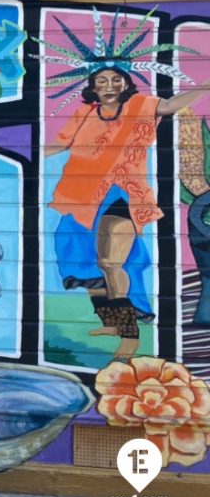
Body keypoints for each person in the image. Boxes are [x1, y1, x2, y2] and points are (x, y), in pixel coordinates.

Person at [47, 66, 210, 360]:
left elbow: (171, 105)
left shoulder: (141, 105)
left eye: (115, 80)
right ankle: (110, 322)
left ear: (125, 84)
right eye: (101, 81)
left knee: (110, 262)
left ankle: (130, 336)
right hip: (80, 195)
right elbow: (61, 142)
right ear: (93, 88)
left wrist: (205, 85)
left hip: (124, 194)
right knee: (80, 259)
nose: (109, 85)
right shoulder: (84, 113)